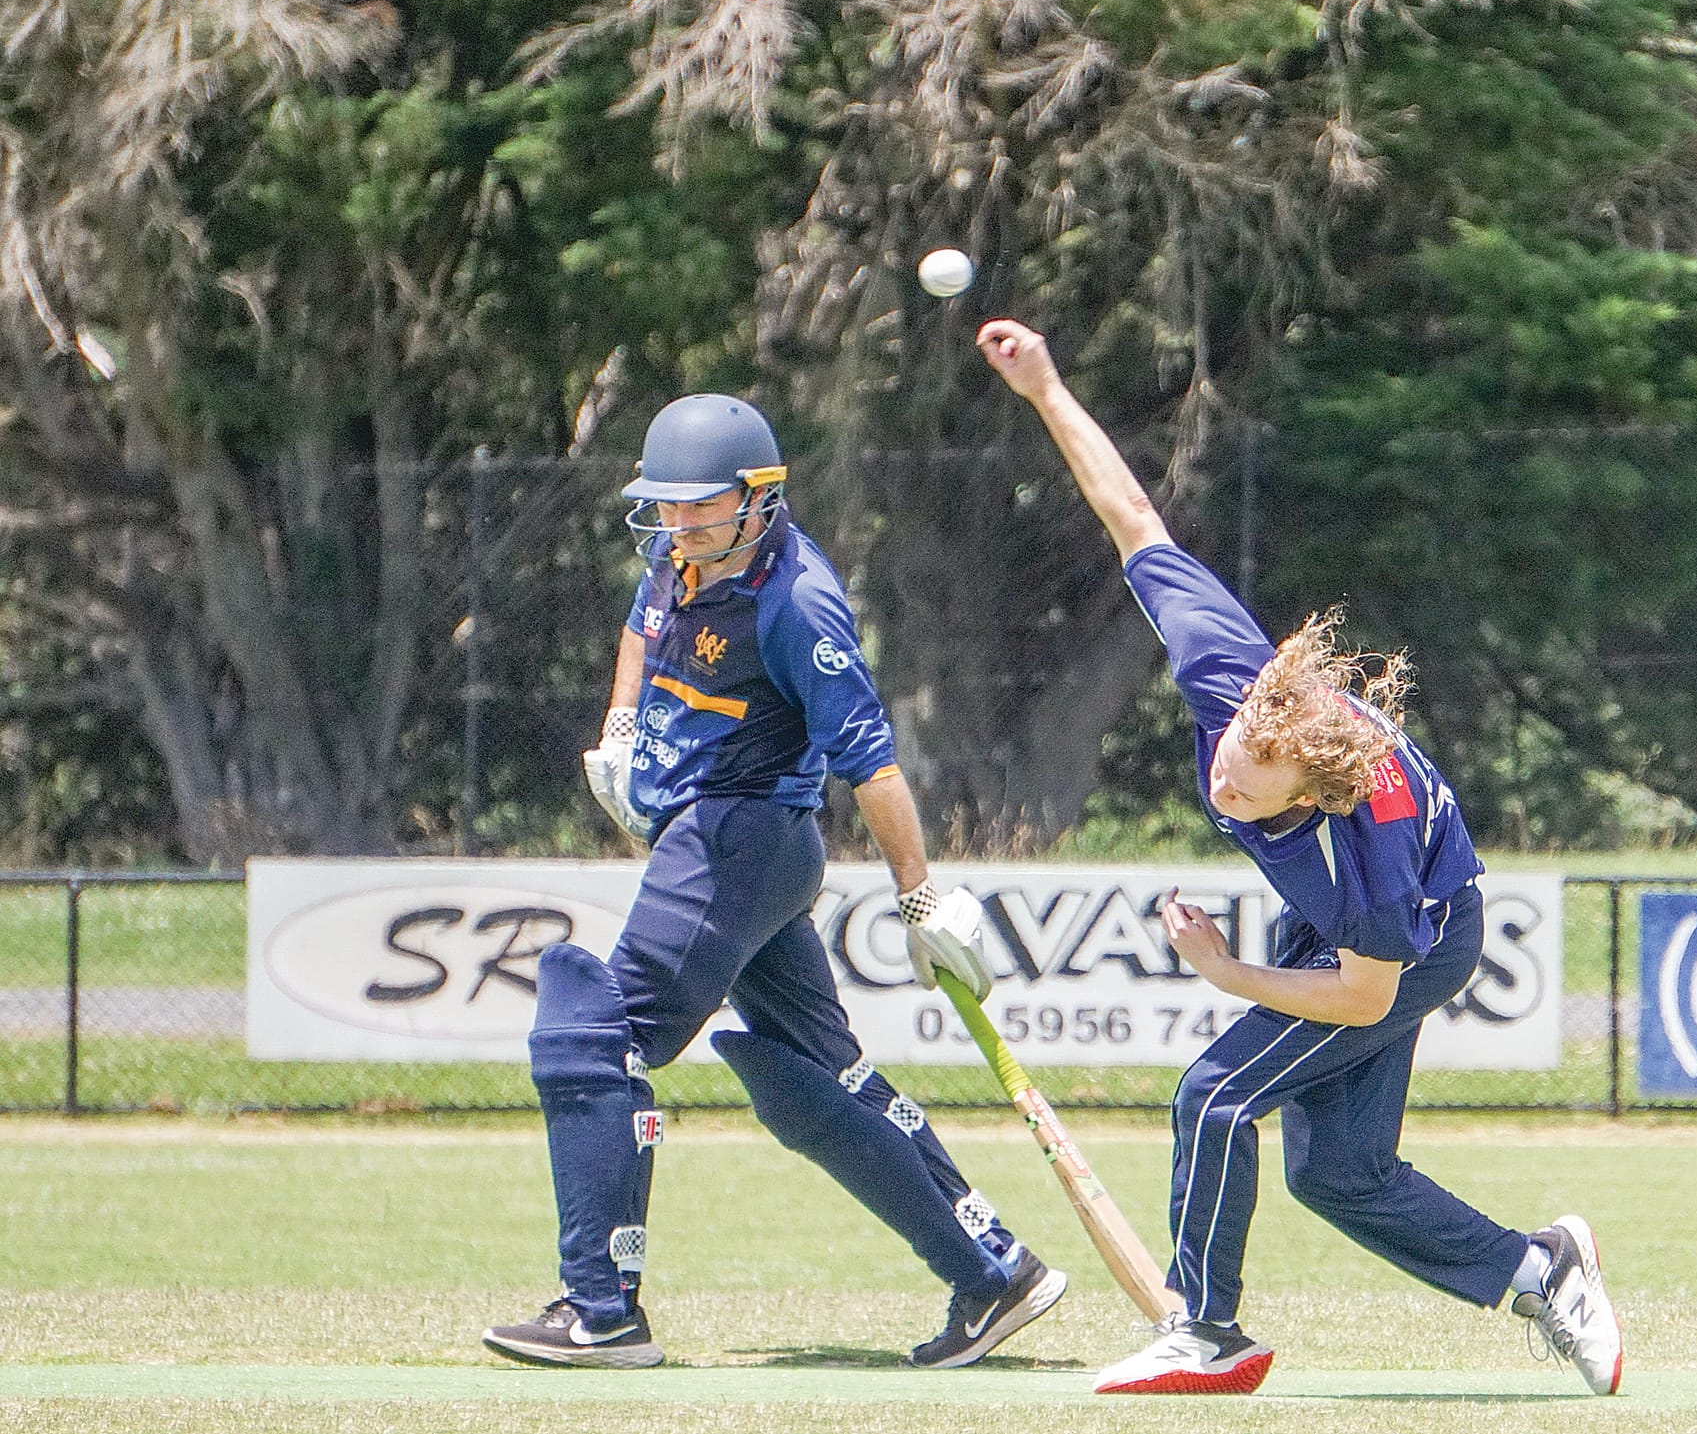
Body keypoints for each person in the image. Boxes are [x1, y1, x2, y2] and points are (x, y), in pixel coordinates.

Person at [974, 318, 1622, 1397]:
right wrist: (1045, 387)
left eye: (1250, 780)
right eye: (1229, 754)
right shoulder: (1237, 681)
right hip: (1328, 931)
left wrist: (1227, 975)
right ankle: (1537, 1267)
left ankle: (1204, 1331)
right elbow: (1130, 519)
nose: (1223, 777)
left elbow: (1366, 997)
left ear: (1310, 791)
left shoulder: (1363, 842)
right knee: (1338, 1172)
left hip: (1413, 941)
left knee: (1215, 1095)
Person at [482, 393, 1066, 1370]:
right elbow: (639, 628)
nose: (677, 525)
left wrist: (917, 897)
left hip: (742, 833)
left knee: (590, 1033)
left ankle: (602, 1309)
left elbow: (871, 763)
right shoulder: (679, 554)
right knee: (814, 1084)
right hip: (713, 833)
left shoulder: (796, 601)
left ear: (760, 498)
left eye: (699, 507)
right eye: (663, 507)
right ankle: (990, 1269)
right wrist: (622, 729)